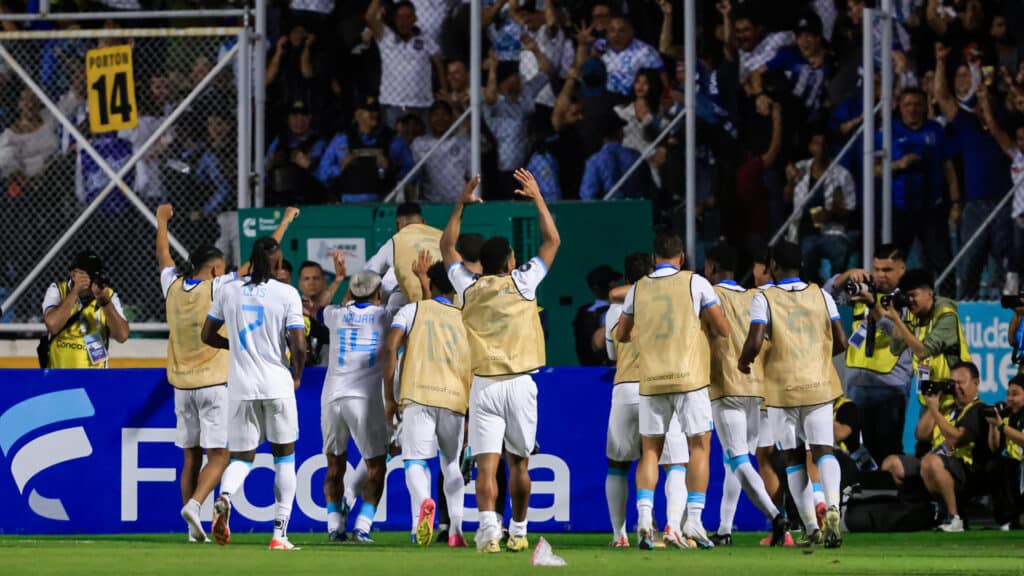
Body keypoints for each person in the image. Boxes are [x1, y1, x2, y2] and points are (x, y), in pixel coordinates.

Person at [441, 169, 560, 553]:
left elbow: (446, 247)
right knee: (520, 464)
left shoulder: (468, 285)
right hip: (519, 383)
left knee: (486, 465)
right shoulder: (523, 281)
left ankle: (489, 531)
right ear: (510, 263)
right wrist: (538, 196)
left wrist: (460, 204)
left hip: (484, 386)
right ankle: (520, 530)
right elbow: (552, 240)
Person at [615, 232, 731, 549]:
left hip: (652, 380)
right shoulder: (696, 283)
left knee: (650, 451)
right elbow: (723, 328)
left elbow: (622, 335)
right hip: (689, 377)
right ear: (681, 258)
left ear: (655, 259)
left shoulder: (638, 289)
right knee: (699, 446)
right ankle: (693, 519)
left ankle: (642, 517)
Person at [738, 241, 848, 548]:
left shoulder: (765, 298)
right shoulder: (822, 295)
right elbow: (841, 340)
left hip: (783, 386)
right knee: (824, 449)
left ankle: (811, 527)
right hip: (819, 384)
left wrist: (744, 361)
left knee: (794, 458)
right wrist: (818, 357)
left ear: (773, 265)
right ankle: (834, 507)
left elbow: (756, 339)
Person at [201, 236, 307, 550]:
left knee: (243, 458)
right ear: (277, 263)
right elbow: (298, 344)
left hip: (241, 386)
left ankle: (225, 496)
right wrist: (297, 375)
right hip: (277, 384)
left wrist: (232, 346)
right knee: (284, 458)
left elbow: (207, 334)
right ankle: (279, 535)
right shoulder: (287, 293)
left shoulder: (228, 290)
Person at [382, 256, 472, 547]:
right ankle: (456, 530)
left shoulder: (411, 310)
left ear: (430, 284)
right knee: (452, 465)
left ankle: (424, 502)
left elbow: (390, 349)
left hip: (417, 395)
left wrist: (389, 397)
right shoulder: (466, 316)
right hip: (455, 398)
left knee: (415, 462)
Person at [603, 252, 691, 548]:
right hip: (659, 387)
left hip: (625, 390)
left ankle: (619, 534)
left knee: (618, 465)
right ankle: (672, 527)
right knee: (674, 463)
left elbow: (612, 355)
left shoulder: (614, 312)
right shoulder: (668, 302)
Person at [702, 244, 788, 547]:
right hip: (756, 389)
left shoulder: (709, 296)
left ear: (711, 267)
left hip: (726, 386)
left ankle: (777, 517)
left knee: (737, 459)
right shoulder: (754, 296)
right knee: (734, 461)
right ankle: (725, 529)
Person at [318, 267, 392, 543]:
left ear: (351, 293)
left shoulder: (335, 315)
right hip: (362, 399)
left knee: (334, 465)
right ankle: (362, 525)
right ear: (379, 294)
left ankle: (334, 526)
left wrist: (337, 280)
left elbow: (317, 307)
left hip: (332, 398)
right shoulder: (385, 316)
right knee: (376, 466)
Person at [826, 244, 912, 464]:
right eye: (876, 269)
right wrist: (846, 275)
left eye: (887, 270)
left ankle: (890, 496)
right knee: (854, 451)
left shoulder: (908, 298)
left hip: (890, 386)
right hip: (856, 384)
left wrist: (873, 305)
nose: (880, 275)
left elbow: (896, 335)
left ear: (902, 269)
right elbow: (824, 297)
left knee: (887, 451)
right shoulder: (862, 290)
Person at [880, 362, 987, 533]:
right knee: (892, 463)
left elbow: (955, 439)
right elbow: (921, 434)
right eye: (953, 383)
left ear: (975, 383)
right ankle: (917, 513)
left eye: (961, 382)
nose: (956, 387)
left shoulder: (978, 409)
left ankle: (954, 518)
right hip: (933, 464)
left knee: (931, 462)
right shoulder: (946, 408)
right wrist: (934, 406)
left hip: (965, 469)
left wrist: (935, 411)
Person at [873, 268, 972, 387]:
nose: (910, 301)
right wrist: (897, 316)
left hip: (955, 391)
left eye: (913, 295)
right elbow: (896, 348)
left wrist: (898, 321)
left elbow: (923, 352)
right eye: (907, 297)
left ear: (929, 292)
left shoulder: (946, 316)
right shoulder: (914, 314)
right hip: (931, 392)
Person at [41, 251, 130, 369]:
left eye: (96, 274)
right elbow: (52, 325)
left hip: (95, 380)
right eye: (89, 274)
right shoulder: (58, 290)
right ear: (73, 275)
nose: (93, 279)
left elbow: (122, 336)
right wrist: (75, 291)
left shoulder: (108, 295)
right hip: (60, 377)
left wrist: (106, 303)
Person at [366, 0, 446, 128]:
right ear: (394, 19)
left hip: (423, 105)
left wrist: (444, 90)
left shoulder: (425, 39)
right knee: (395, 146)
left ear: (415, 18)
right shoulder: (385, 36)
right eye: (399, 17)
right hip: (393, 104)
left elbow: (438, 61)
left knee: (423, 145)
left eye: (408, 17)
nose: (403, 21)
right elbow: (369, 17)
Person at [318, 95, 414, 203]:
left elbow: (413, 173)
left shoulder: (393, 140)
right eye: (370, 111)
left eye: (376, 110)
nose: (375, 115)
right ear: (358, 114)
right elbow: (321, 174)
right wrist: (340, 168)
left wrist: (390, 168)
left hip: (384, 205)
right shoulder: (341, 140)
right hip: (347, 206)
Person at [365, 201, 444, 311]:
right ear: (424, 222)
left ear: (397, 225)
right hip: (448, 303)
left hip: (414, 307)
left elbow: (367, 276)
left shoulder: (394, 243)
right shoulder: (442, 237)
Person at [579, 115, 652, 200]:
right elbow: (649, 190)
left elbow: (588, 196)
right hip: (634, 211)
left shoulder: (594, 162)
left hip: (606, 212)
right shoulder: (636, 157)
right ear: (620, 133)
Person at [411, 100, 471, 203]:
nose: (440, 119)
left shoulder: (463, 142)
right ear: (429, 119)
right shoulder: (419, 143)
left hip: (458, 201)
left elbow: (471, 175)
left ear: (452, 118)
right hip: (430, 202)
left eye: (444, 114)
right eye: (436, 115)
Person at [985, 376, 1024, 530]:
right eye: (1008, 394)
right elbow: (994, 447)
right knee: (995, 465)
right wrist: (993, 425)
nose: (1010, 398)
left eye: (1015, 394)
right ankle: (1008, 518)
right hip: (1015, 470)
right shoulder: (1008, 416)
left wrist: (1001, 426)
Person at [297, 260, 344, 366]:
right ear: (300, 283)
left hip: (327, 372)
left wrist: (337, 281)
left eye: (316, 278)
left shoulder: (334, 312)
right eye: (306, 279)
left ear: (324, 281)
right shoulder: (293, 310)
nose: (311, 282)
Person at [573, 265, 620, 367]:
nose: (614, 285)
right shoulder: (586, 315)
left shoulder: (623, 307)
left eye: (614, 282)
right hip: (596, 369)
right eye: (610, 283)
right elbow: (587, 347)